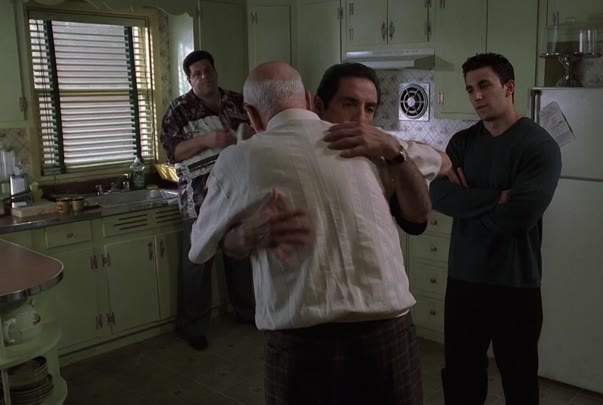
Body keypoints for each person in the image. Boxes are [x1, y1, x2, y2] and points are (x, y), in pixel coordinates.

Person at [189, 61, 428, 405]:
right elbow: (438, 169)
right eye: (351, 104)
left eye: (369, 108)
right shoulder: (368, 145)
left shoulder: (238, 161)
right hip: (387, 330)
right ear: (308, 100)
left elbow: (199, 249)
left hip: (300, 338)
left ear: (251, 114)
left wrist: (238, 237)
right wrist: (396, 150)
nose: (361, 116)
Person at [429, 53, 562, 404]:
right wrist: (497, 197)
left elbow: (520, 217)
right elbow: (438, 196)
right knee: (461, 380)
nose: (476, 96)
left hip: (515, 284)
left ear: (509, 87)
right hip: (463, 280)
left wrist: (469, 200)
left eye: (484, 85)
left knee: (519, 383)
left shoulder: (539, 146)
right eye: (470, 89)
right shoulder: (461, 143)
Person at [160, 50, 255, 351]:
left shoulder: (238, 102)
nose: (204, 77)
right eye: (196, 74)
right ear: (189, 79)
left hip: (237, 193)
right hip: (198, 199)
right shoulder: (179, 110)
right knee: (197, 262)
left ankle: (247, 311)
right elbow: (172, 152)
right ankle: (195, 326)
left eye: (207, 70)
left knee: (240, 257)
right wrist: (207, 140)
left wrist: (247, 134)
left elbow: (259, 133)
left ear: (215, 71)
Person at [316, 62, 452, 191]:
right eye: (349, 104)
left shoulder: (380, 145)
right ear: (319, 107)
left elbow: (444, 163)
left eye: (369, 109)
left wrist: (397, 147)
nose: (361, 119)